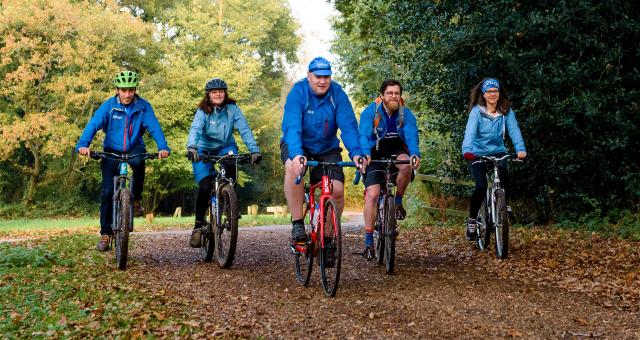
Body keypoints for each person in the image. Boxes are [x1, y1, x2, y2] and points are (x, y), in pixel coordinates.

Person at [76, 70, 171, 251]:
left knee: (138, 162)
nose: (127, 95)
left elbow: (154, 126)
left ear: (135, 90)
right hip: (111, 148)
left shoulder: (143, 107)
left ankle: (135, 201)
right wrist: (83, 144)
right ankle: (105, 234)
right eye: (123, 90)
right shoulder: (109, 106)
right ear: (117, 90)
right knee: (106, 192)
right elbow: (94, 124)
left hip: (135, 146)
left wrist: (162, 147)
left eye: (131, 90)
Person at [280, 56, 366, 243]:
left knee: (337, 189)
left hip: (326, 147)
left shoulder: (337, 94)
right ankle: (297, 223)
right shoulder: (298, 92)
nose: (322, 81)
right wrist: (296, 154)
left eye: (326, 77)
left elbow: (349, 127)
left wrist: (357, 153)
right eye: (318, 76)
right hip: (298, 144)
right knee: (294, 168)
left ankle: (327, 237)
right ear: (309, 75)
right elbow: (292, 126)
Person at [187, 77, 262, 247]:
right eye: (214, 92)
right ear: (209, 95)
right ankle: (198, 226)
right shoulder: (203, 111)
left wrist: (254, 150)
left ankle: (230, 204)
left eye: (220, 91)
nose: (218, 94)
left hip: (225, 146)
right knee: (205, 186)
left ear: (225, 93)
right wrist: (192, 147)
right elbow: (196, 129)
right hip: (202, 149)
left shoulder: (232, 109)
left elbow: (244, 129)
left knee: (231, 167)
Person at [358, 79, 421, 259]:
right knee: (373, 194)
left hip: (396, 149)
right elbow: (363, 133)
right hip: (375, 152)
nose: (394, 96)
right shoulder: (371, 112)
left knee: (406, 164)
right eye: (390, 93)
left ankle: (398, 202)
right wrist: (364, 153)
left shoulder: (405, 113)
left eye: (397, 93)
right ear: (382, 96)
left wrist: (415, 153)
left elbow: (411, 134)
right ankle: (369, 242)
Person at [462, 78, 527, 240]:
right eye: (489, 92)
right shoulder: (477, 111)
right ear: (483, 94)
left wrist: (520, 149)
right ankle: (472, 221)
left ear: (499, 93)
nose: (492, 94)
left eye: (495, 91)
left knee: (504, 173)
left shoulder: (505, 111)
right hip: (477, 152)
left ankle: (505, 205)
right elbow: (470, 132)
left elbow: (514, 130)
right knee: (481, 186)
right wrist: (467, 150)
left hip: (498, 151)